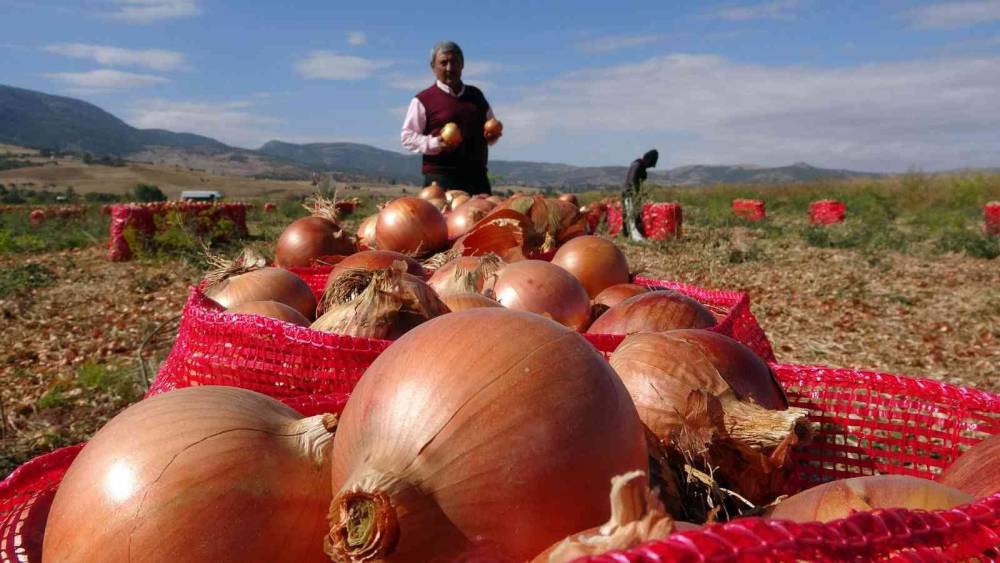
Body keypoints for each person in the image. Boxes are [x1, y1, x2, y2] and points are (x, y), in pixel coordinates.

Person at [400, 41, 501, 195]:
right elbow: (407, 137)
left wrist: (492, 136)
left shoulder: (476, 96)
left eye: (454, 62)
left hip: (477, 179)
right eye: (443, 63)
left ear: (462, 65)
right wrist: (436, 143)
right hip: (440, 180)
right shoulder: (423, 100)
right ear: (433, 66)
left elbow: (490, 129)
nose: (449, 68)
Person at [622, 149, 658, 241]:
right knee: (631, 216)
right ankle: (635, 237)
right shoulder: (637, 165)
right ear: (649, 160)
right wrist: (635, 193)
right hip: (630, 194)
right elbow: (632, 181)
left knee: (635, 215)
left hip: (633, 194)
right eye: (651, 164)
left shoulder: (638, 165)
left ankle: (630, 235)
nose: (651, 166)